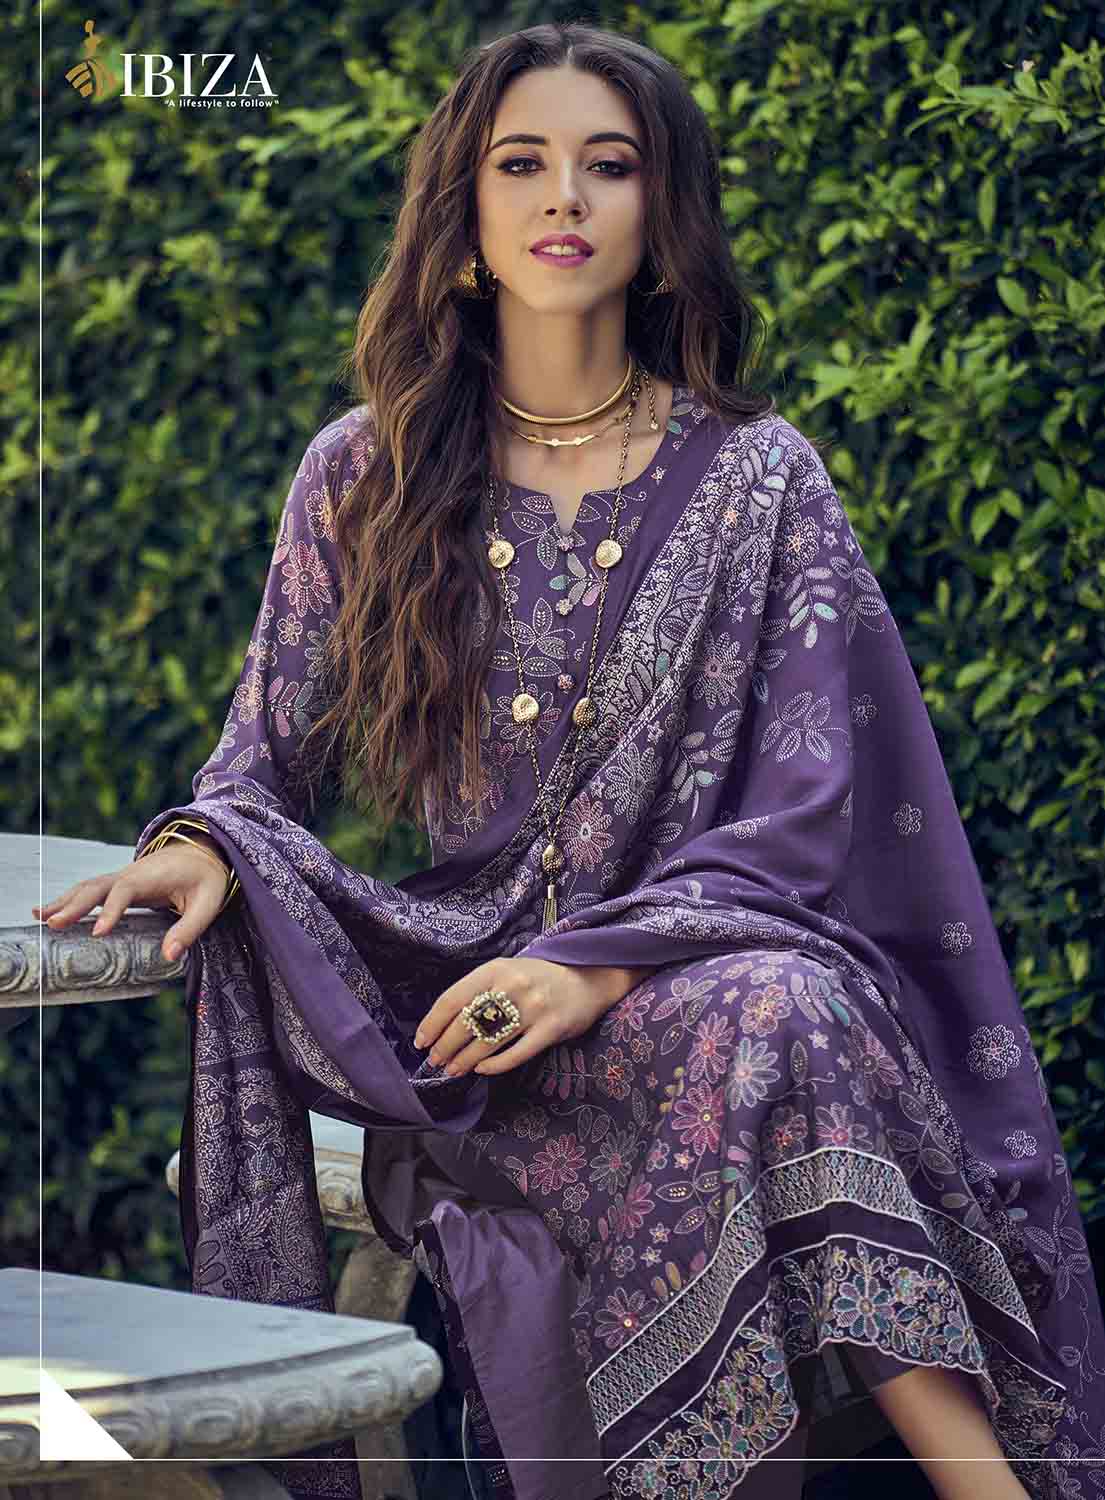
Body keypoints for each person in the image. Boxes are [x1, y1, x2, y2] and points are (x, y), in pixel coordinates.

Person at [35, 23, 1105, 1500]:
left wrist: (594, 967)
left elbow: (809, 811)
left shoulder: (757, 478)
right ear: (465, 209)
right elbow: (260, 755)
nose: (564, 198)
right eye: (521, 163)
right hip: (471, 1020)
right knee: (776, 1021)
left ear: (662, 213)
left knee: (778, 1006)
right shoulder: (367, 471)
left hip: (694, 977)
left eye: (610, 165)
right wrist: (207, 843)